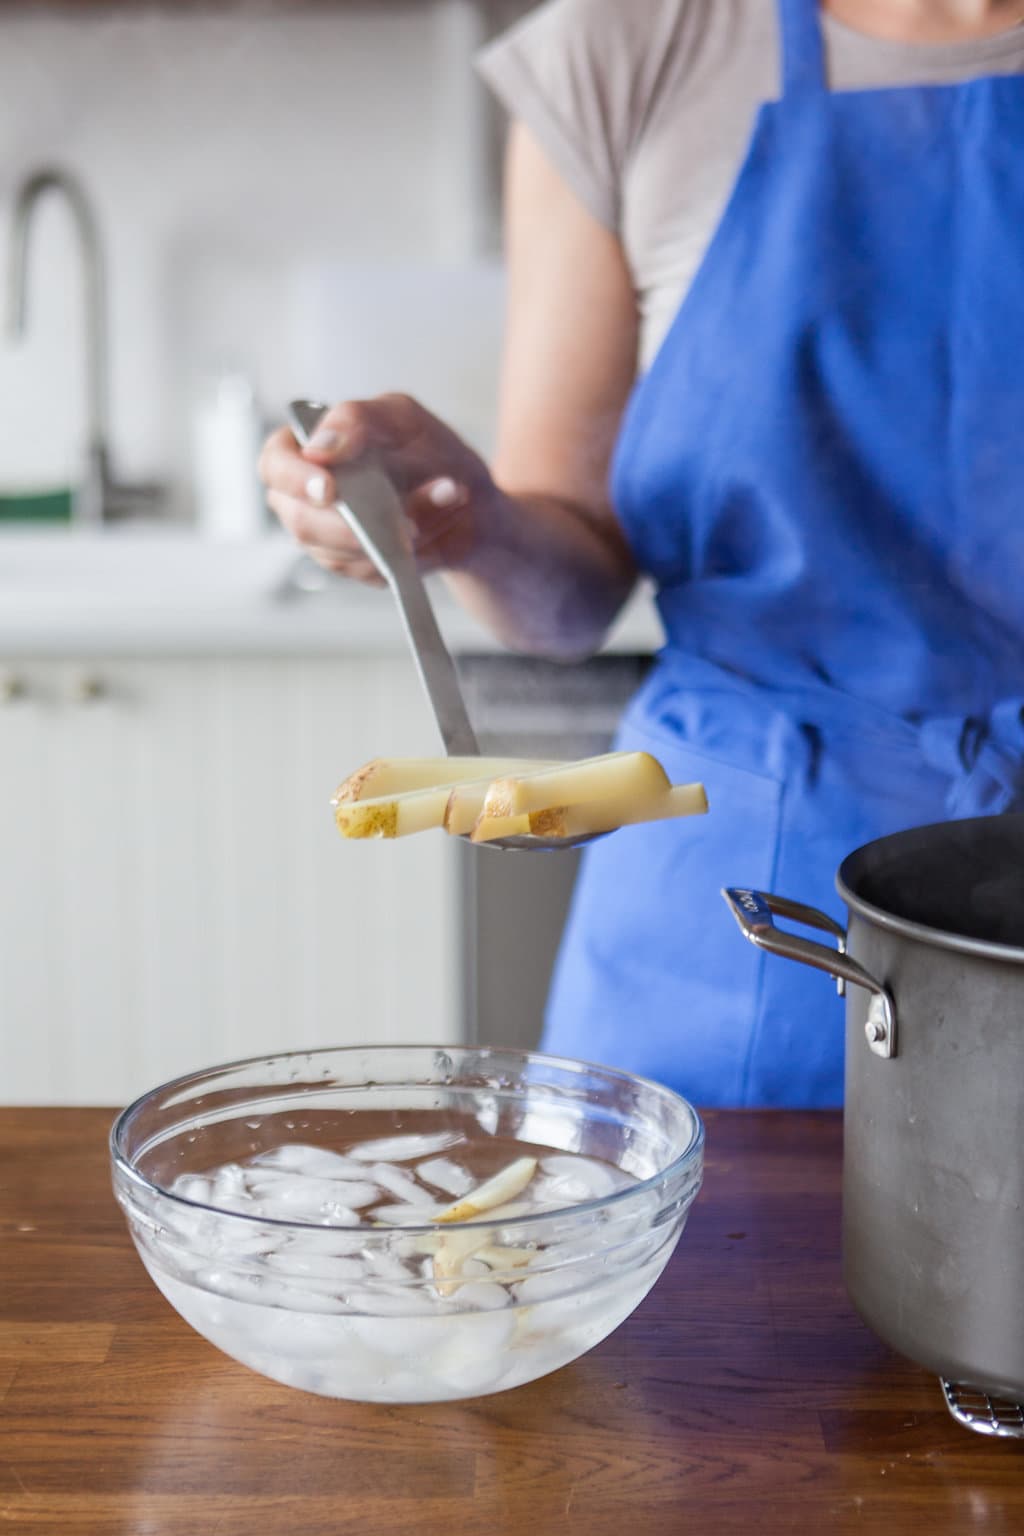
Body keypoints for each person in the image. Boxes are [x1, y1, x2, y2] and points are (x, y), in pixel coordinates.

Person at [259, 0, 1024, 1109]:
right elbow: (569, 599)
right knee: (685, 1225)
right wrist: (468, 520)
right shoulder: (628, 51)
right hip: (739, 911)